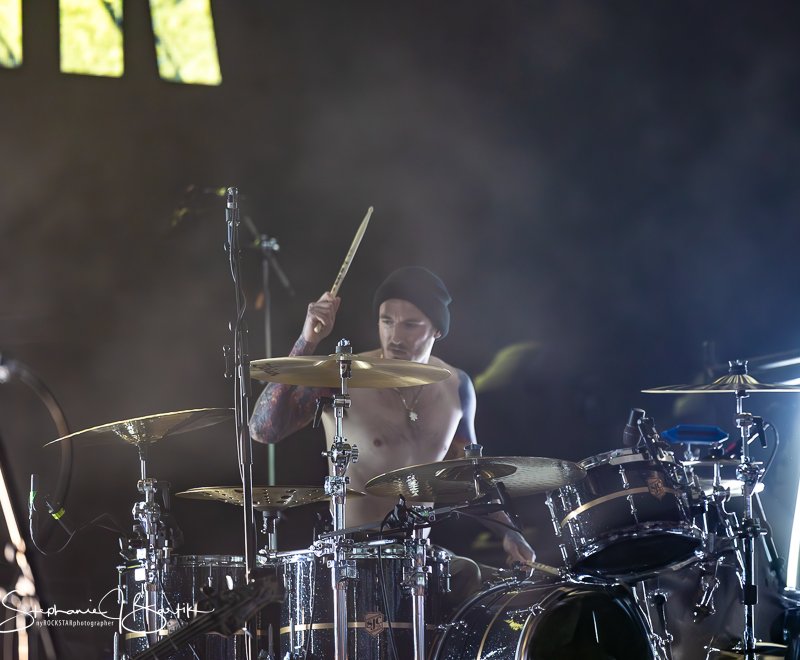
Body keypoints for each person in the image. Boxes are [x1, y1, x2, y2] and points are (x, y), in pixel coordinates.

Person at [249, 266, 535, 568]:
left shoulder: (457, 386)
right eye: (387, 321)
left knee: (473, 577)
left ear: (437, 330)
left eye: (410, 325)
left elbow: (470, 476)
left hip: (418, 559)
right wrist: (307, 341)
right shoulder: (342, 376)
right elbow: (263, 430)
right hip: (353, 560)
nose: (395, 336)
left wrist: (510, 532)